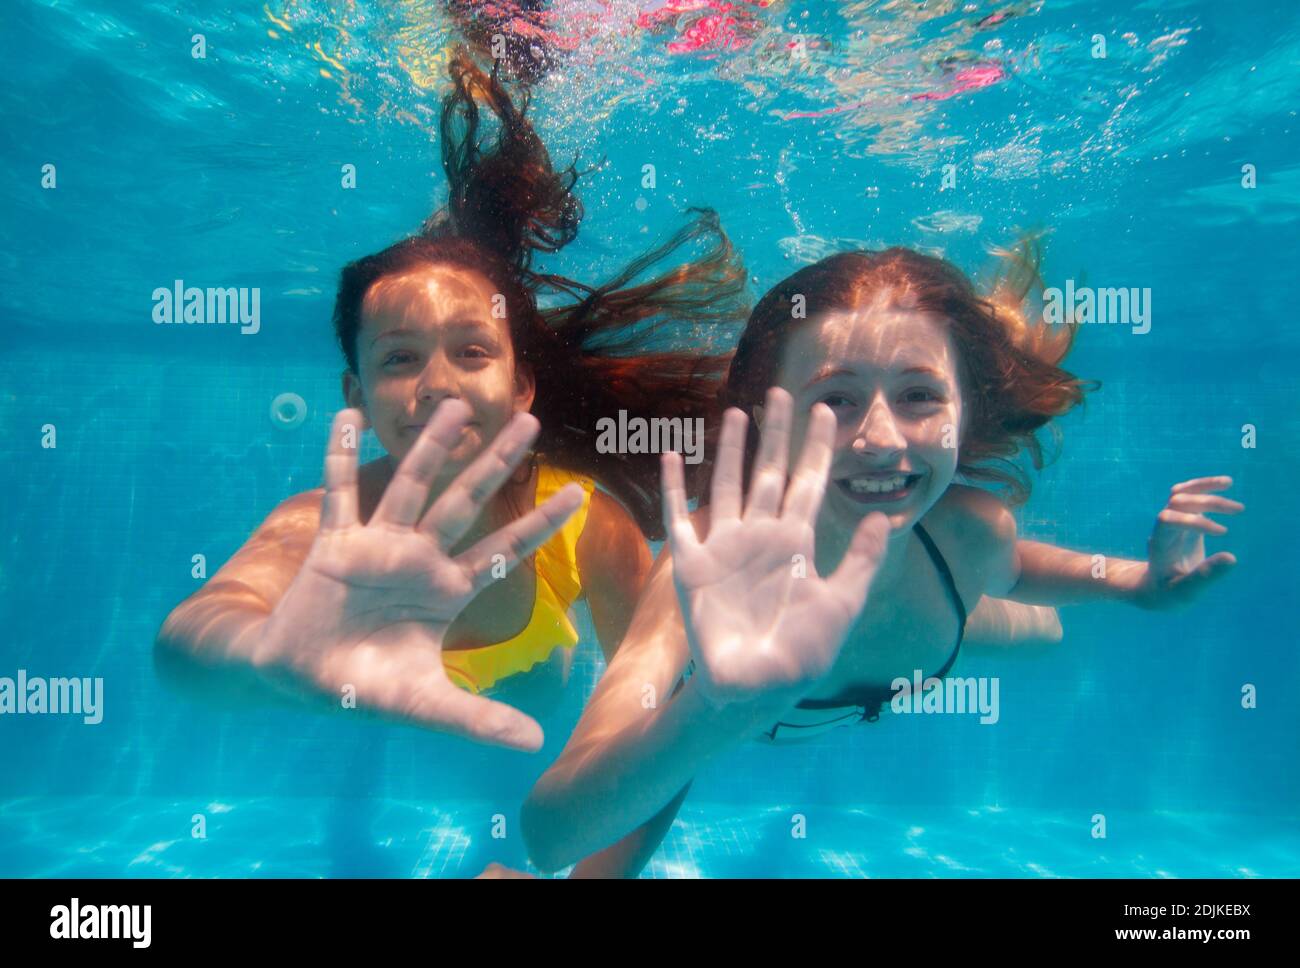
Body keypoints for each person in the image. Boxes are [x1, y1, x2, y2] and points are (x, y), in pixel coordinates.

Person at [153, 48, 746, 876]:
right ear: (353, 393)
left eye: (472, 351)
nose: (437, 386)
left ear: (523, 383)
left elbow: (665, 730)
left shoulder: (585, 526)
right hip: (388, 686)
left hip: (538, 648)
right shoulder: (320, 530)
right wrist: (263, 656)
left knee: (545, 687)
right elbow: (186, 642)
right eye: (399, 361)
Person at [520, 244, 1243, 872]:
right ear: (775, 420)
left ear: (967, 412)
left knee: (1044, 630)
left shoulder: (967, 535)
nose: (881, 439)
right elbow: (548, 838)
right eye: (836, 399)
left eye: (920, 395)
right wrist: (712, 709)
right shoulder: (706, 570)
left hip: (944, 616)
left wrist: (1141, 585)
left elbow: (1020, 569)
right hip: (839, 671)